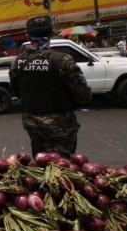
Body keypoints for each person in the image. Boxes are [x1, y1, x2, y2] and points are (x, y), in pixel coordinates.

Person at [9, 16, 92, 159]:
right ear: (51, 33)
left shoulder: (18, 62)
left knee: (39, 163)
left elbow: (15, 91)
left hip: (32, 124)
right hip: (60, 126)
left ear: (27, 35)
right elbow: (82, 94)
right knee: (60, 168)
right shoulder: (62, 60)